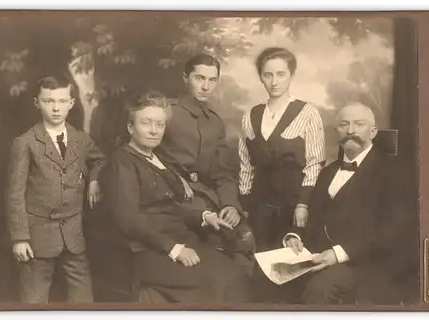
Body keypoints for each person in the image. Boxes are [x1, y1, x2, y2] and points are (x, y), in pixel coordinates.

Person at [99, 91, 252, 303]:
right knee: (213, 281)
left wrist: (204, 216)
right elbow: (128, 218)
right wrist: (173, 249)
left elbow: (171, 206)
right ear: (130, 128)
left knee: (234, 273)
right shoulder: (122, 162)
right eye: (146, 123)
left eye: (160, 125)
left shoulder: (157, 160)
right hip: (146, 250)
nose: (154, 131)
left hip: (179, 238)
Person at [282, 102, 413, 305]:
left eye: (359, 124)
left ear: (373, 132)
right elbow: (315, 217)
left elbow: (391, 231)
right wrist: (295, 235)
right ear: (336, 131)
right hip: (320, 257)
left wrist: (338, 254)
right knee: (272, 279)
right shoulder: (328, 172)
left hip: (368, 262)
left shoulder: (393, 172)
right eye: (344, 125)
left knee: (319, 290)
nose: (350, 131)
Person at [5, 75, 106, 303]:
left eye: (61, 101)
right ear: (37, 103)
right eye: (49, 101)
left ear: (71, 103)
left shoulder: (80, 139)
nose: (56, 108)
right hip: (37, 237)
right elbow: (15, 194)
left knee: (83, 299)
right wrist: (20, 237)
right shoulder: (25, 142)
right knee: (34, 299)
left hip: (73, 234)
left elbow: (100, 160)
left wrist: (94, 181)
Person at [155, 53, 255, 275]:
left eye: (212, 80)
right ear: (185, 78)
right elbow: (143, 157)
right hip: (170, 197)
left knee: (244, 242)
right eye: (199, 78)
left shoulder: (214, 123)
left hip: (207, 198)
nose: (205, 86)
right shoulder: (166, 112)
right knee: (215, 249)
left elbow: (222, 173)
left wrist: (230, 205)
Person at [239, 47, 326, 252]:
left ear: (291, 75)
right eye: (267, 75)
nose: (274, 82)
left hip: (295, 208)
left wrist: (303, 204)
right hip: (259, 208)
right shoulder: (250, 116)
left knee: (290, 263)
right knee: (259, 261)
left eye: (280, 74)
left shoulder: (307, 113)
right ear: (260, 77)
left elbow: (315, 164)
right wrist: (245, 204)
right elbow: (246, 166)